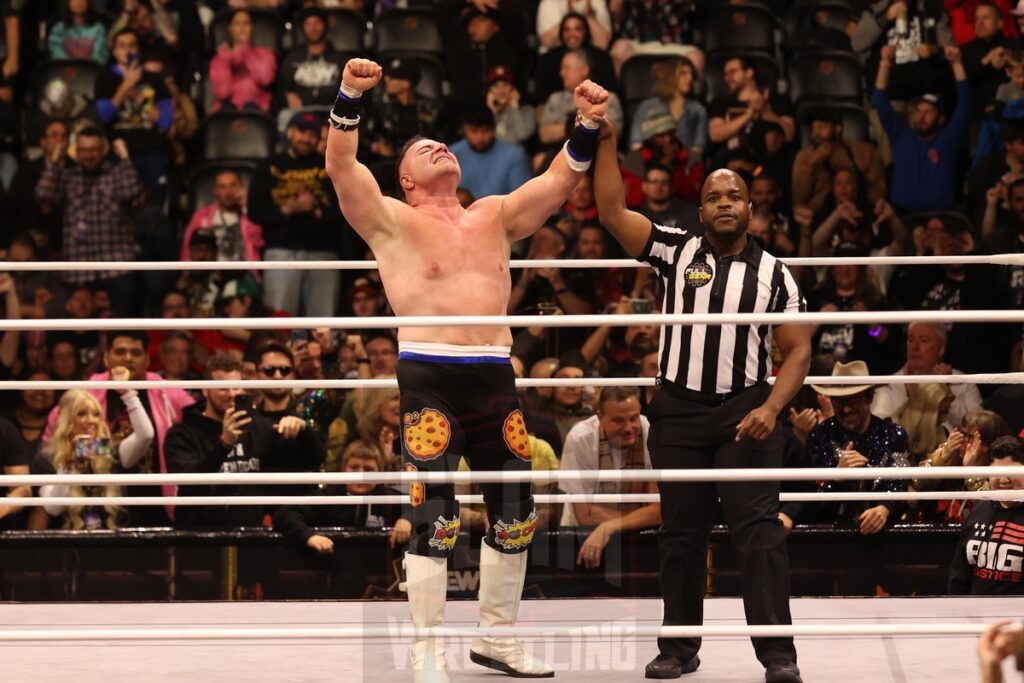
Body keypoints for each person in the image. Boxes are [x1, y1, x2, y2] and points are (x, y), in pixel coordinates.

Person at [324, 56, 609, 681]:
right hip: (429, 371)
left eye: (441, 144)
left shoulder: (495, 216)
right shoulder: (391, 222)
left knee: (515, 508)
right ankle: (427, 649)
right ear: (404, 179)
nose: (437, 147)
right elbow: (342, 169)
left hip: (492, 376)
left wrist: (586, 120)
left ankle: (498, 639)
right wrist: (348, 94)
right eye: (423, 149)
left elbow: (560, 181)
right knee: (435, 512)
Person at [593, 120, 810, 682]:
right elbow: (614, 214)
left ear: (750, 206)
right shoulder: (675, 248)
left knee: (759, 535)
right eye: (713, 196)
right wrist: (609, 142)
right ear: (701, 208)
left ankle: (778, 656)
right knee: (680, 535)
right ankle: (679, 648)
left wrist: (771, 408)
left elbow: (799, 352)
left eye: (733, 195)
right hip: (680, 411)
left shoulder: (776, 275)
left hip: (747, 412)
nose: (723, 204)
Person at [164, 353, 323, 528]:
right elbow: (190, 483)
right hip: (199, 536)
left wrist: (303, 432)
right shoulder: (182, 434)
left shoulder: (258, 427)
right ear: (205, 390)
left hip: (249, 535)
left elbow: (314, 459)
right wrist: (224, 444)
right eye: (223, 388)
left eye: (237, 387)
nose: (232, 394)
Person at [35, 127, 144, 316]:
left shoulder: (116, 174)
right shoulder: (68, 177)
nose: (89, 155)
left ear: (104, 150)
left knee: (123, 328)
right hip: (79, 269)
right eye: (83, 150)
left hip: (116, 266)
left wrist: (125, 157)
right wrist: (54, 160)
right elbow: (44, 195)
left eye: (94, 149)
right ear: (76, 153)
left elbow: (132, 191)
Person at [248, 111, 345, 317]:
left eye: (312, 134)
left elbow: (346, 211)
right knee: (281, 322)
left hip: (323, 252)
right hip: (280, 251)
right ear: (289, 132)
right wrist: (289, 209)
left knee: (323, 324)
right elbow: (255, 210)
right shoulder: (269, 166)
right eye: (302, 131)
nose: (306, 138)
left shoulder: (330, 166)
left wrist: (316, 209)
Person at [559, 387, 660, 568]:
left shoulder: (651, 432)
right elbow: (585, 515)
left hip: (634, 534)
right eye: (618, 421)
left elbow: (659, 511)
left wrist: (610, 526)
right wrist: (641, 517)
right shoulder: (579, 438)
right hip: (584, 533)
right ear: (599, 416)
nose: (629, 428)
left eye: (634, 418)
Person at [807, 361, 911, 535]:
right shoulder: (820, 436)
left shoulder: (893, 434)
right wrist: (837, 477)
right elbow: (812, 500)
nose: (846, 409)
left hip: (887, 534)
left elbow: (901, 482)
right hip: (833, 534)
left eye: (853, 400)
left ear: (869, 398)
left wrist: (885, 508)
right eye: (839, 402)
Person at [873, 44, 971, 212]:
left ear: (941, 119)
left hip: (941, 216)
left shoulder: (949, 138)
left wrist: (956, 64)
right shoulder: (901, 135)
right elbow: (880, 101)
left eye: (928, 112)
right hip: (903, 215)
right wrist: (884, 63)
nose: (921, 116)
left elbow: (966, 102)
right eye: (918, 111)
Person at [273, 440, 412, 552]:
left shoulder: (387, 497)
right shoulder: (328, 496)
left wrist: (407, 519)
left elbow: (424, 507)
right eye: (354, 467)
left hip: (379, 573)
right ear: (343, 469)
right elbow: (285, 513)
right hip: (329, 570)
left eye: (368, 469)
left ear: (380, 472)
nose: (360, 474)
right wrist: (309, 536)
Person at [949, 435, 1024, 595]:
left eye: (1012, 472)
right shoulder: (979, 510)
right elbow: (959, 575)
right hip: (976, 615)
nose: (1004, 479)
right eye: (996, 472)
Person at [181, 169, 264, 264]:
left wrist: (246, 207)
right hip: (211, 271)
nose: (228, 192)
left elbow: (259, 243)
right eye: (222, 187)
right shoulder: (201, 217)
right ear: (215, 191)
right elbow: (187, 250)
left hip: (243, 272)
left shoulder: (252, 216)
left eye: (233, 185)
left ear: (241, 187)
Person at [208, 9, 276, 112]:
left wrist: (246, 52)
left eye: (246, 23)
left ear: (252, 28)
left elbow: (265, 79)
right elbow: (223, 93)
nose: (242, 28)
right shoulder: (219, 59)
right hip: (228, 110)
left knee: (250, 108)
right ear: (230, 29)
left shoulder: (266, 54)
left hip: (256, 110)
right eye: (237, 24)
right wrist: (226, 62)